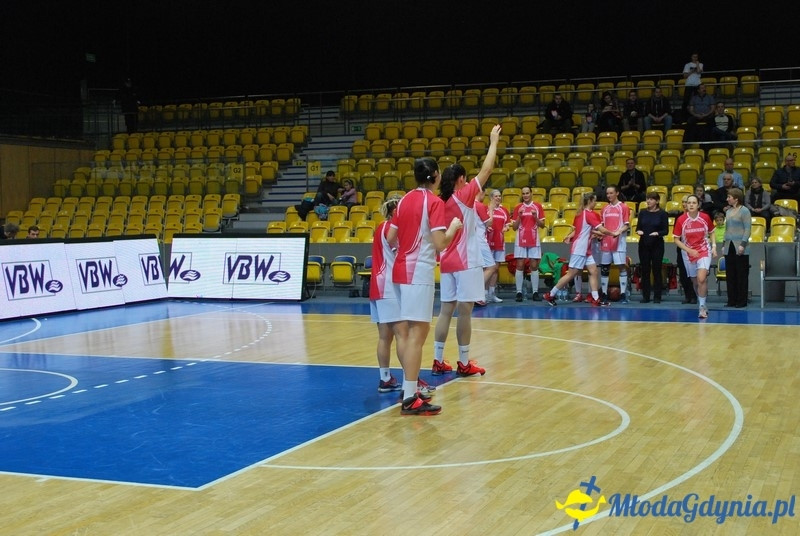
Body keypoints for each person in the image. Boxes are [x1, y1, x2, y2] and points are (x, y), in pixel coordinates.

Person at [386, 157, 462, 416]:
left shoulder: (404, 199)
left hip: (399, 270)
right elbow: (441, 244)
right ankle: (409, 397)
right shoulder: (435, 202)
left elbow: (390, 237)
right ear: (436, 176)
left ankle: (409, 392)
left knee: (407, 335)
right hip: (418, 273)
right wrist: (453, 227)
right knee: (417, 336)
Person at [431, 124, 501, 380]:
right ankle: (463, 361)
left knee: (445, 311)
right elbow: (487, 170)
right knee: (466, 312)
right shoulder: (462, 195)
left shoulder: (442, 201)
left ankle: (438, 360)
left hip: (447, 261)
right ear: (461, 179)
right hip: (467, 261)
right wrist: (493, 141)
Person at [543, 192, 613, 307]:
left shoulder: (580, 214)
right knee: (571, 274)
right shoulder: (589, 214)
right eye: (594, 201)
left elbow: (580, 230)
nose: (595, 203)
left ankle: (596, 299)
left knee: (594, 271)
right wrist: (613, 233)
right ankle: (550, 294)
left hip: (587, 250)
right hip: (580, 249)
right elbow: (602, 230)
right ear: (590, 201)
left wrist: (570, 236)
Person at [369, 196, 404, 393]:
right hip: (388, 287)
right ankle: (411, 380)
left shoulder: (380, 227)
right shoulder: (392, 229)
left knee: (385, 337)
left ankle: (385, 379)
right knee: (402, 335)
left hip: (377, 286)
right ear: (395, 212)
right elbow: (401, 254)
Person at [673, 194, 716, 319]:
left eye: (693, 202)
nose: (691, 205)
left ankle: (701, 307)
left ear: (698, 205)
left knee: (701, 278)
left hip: (703, 250)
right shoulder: (681, 219)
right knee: (695, 281)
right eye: (689, 202)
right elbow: (676, 239)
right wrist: (689, 250)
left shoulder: (705, 217)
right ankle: (703, 301)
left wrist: (713, 247)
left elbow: (712, 232)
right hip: (688, 252)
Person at [511, 185, 547, 301]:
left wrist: (535, 217)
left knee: (534, 265)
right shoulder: (518, 208)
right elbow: (514, 227)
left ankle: (535, 292)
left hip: (534, 238)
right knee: (520, 265)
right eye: (523, 193)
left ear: (531, 194)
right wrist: (519, 217)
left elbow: (542, 225)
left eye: (527, 193)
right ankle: (519, 292)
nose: (525, 195)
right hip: (520, 238)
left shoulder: (537, 207)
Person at [635, 192, 669, 303]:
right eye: (647, 199)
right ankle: (646, 296)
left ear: (657, 201)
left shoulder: (663, 214)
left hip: (657, 244)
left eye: (651, 199)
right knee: (645, 270)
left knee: (656, 270)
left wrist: (658, 233)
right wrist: (638, 231)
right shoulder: (643, 212)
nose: (648, 201)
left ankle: (657, 296)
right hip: (644, 243)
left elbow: (666, 230)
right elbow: (638, 227)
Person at [599, 185, 631, 302]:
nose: (609, 195)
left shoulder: (623, 207)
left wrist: (618, 232)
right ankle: (603, 293)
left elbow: (627, 225)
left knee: (621, 266)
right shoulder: (604, 209)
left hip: (619, 242)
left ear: (617, 193)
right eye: (607, 193)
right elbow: (601, 226)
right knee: (604, 268)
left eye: (611, 193)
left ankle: (623, 293)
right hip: (606, 242)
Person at [722, 188, 751, 308]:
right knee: (731, 274)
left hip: (740, 246)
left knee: (741, 274)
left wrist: (742, 244)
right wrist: (724, 245)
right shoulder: (728, 212)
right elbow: (726, 229)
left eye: (729, 197)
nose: (727, 199)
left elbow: (748, 229)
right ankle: (731, 300)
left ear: (736, 198)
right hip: (729, 246)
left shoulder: (744, 211)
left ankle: (741, 300)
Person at [485, 189, 511, 303]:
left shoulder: (504, 210)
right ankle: (484, 293)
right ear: (491, 198)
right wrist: (486, 227)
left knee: (495, 269)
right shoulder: (486, 209)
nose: (498, 198)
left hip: (499, 242)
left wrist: (506, 228)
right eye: (496, 196)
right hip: (487, 242)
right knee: (487, 269)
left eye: (499, 196)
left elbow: (508, 224)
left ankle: (492, 293)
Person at [473, 189, 499, 305]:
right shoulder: (479, 205)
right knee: (491, 267)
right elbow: (489, 222)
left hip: (472, 240)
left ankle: (476, 294)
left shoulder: (469, 205)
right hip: (480, 240)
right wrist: (491, 209)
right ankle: (477, 294)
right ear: (481, 193)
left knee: (478, 268)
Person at [676, 196, 697, 304]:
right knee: (684, 274)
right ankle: (687, 295)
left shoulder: (696, 216)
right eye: (683, 202)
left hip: (694, 249)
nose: (685, 204)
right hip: (681, 248)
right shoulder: (679, 217)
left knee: (693, 274)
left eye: (687, 202)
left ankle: (694, 295)